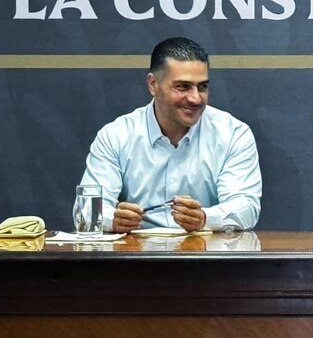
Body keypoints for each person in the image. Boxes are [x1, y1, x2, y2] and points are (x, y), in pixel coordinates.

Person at [76, 37, 262, 233]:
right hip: (134, 259)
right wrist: (112, 219)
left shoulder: (233, 133)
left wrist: (205, 218)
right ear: (152, 84)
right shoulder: (116, 135)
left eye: (202, 87)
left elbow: (246, 208)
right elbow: (86, 213)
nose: (195, 98)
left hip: (205, 257)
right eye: (182, 87)